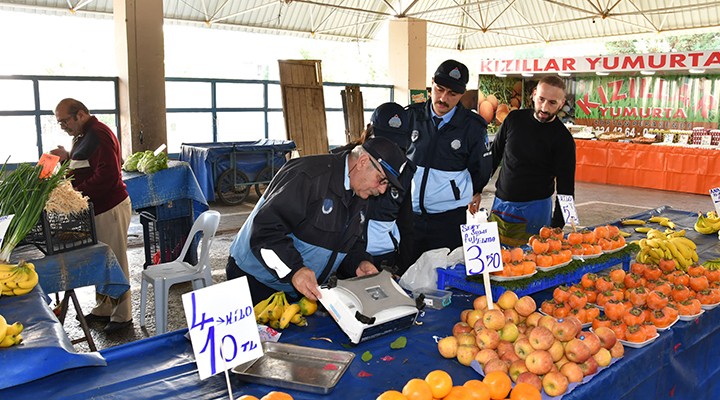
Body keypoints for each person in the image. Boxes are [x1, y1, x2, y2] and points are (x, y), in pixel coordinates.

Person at [226, 136, 407, 302]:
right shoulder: (307, 177)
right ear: (363, 161)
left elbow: (350, 240)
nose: (382, 191)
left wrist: (359, 262)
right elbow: (264, 233)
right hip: (256, 280)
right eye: (382, 180)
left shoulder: (360, 192)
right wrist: (294, 270)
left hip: (300, 287)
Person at [51, 98, 133, 333]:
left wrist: (75, 195)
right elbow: (84, 164)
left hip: (109, 208)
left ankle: (122, 315)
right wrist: (67, 156)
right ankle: (104, 308)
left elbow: (108, 176)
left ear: (80, 114)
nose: (63, 126)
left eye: (64, 121)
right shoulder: (82, 135)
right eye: (59, 123)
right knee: (101, 260)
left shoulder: (98, 133)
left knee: (115, 260)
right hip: (95, 208)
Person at [405, 59, 493, 264]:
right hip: (410, 217)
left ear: (462, 94)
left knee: (444, 276)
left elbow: (481, 168)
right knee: (407, 274)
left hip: (449, 219)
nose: (443, 98)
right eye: (439, 89)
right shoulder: (412, 117)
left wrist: (476, 190)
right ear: (432, 84)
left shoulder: (473, 127)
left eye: (452, 94)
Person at [489, 75, 576, 246]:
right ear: (534, 94)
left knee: (530, 265)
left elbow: (566, 188)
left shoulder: (563, 139)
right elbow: (493, 156)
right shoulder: (513, 120)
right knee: (498, 263)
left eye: (552, 103)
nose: (544, 107)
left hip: (535, 211)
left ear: (561, 102)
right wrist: (476, 190)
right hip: (500, 205)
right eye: (541, 99)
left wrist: (558, 227)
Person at [333, 102, 416, 275]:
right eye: (383, 141)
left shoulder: (404, 170)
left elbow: (406, 222)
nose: (389, 150)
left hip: (385, 258)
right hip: (345, 256)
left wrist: (407, 268)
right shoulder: (344, 162)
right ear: (369, 131)